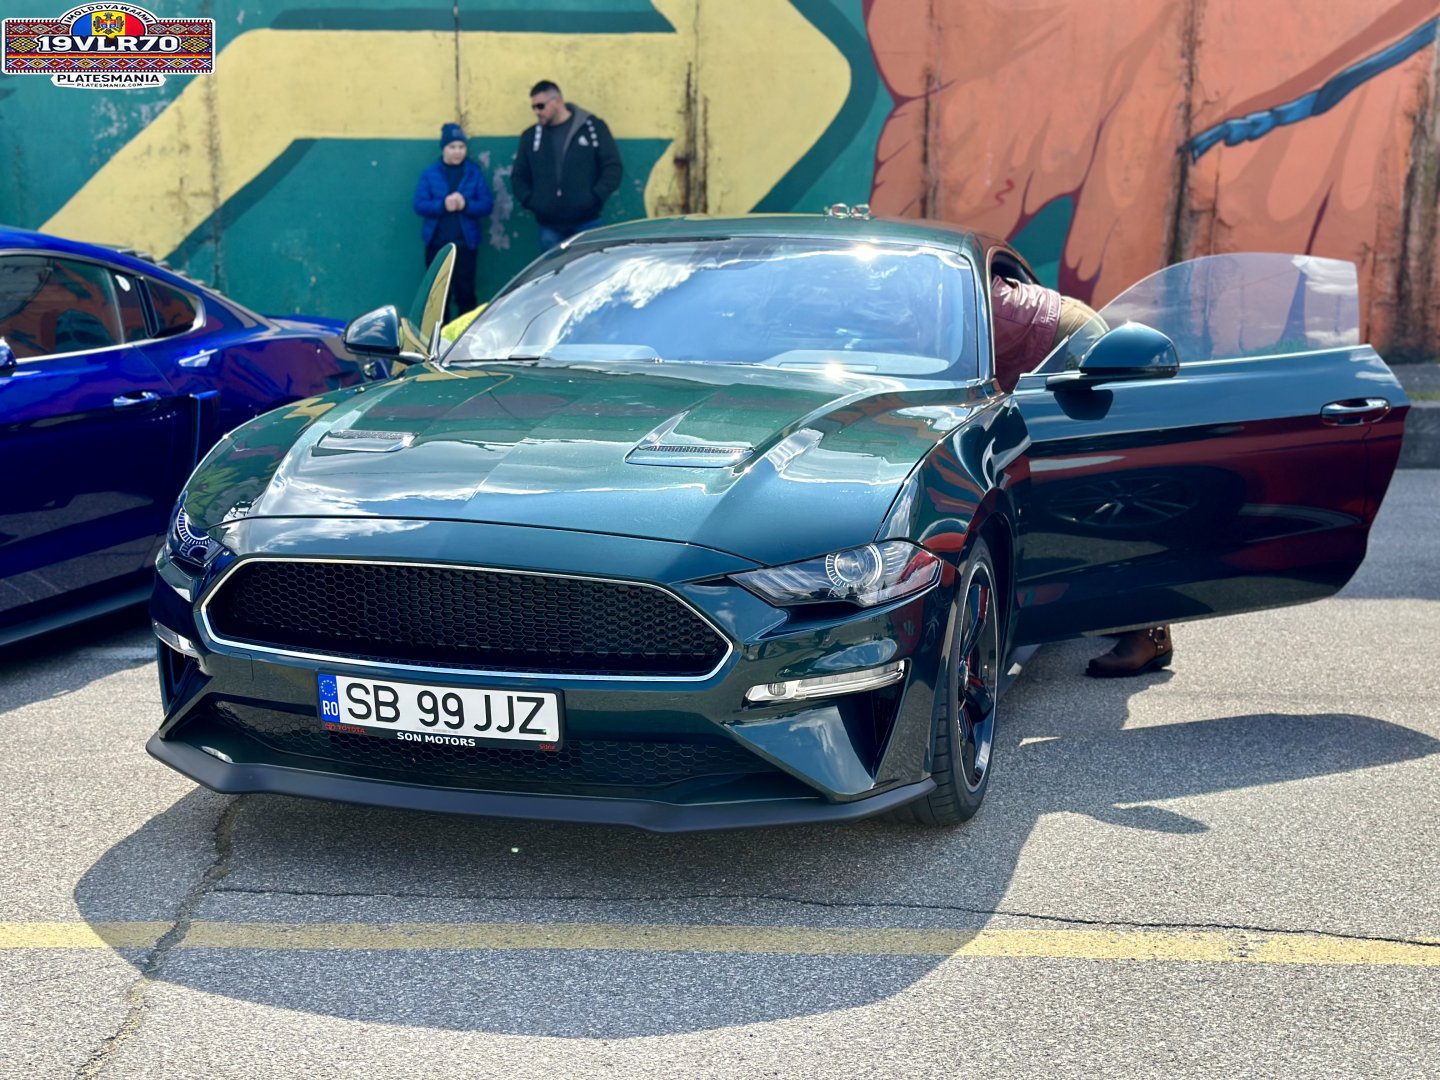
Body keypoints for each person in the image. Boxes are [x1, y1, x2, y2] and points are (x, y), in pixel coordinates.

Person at [990, 273, 1174, 678]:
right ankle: (1099, 604)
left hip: (1064, 336)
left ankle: (1150, 631)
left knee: (1100, 487)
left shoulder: (910, 293)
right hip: (1025, 344)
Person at [512, 80, 622, 251]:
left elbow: (612, 166)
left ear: (557, 101)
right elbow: (519, 175)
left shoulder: (593, 128)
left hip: (587, 221)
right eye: (533, 107)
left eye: (540, 106)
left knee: (591, 266)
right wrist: (533, 201)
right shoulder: (531, 136)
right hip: (548, 225)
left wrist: (595, 197)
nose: (536, 112)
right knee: (554, 268)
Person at [413, 123, 493, 320]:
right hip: (437, 246)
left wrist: (466, 204)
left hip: (465, 246)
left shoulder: (473, 173)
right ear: (443, 148)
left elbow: (486, 205)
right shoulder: (430, 173)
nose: (457, 151)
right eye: (452, 147)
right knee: (437, 299)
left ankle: (466, 335)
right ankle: (438, 337)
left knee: (466, 295)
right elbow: (419, 205)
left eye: (461, 147)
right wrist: (442, 205)